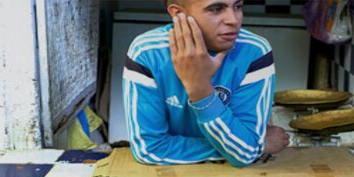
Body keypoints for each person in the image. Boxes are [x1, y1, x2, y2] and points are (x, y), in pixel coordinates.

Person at [122, 0, 289, 167]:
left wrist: (200, 89)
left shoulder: (254, 51)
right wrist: (253, 147)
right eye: (216, 9)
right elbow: (149, 149)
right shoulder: (147, 53)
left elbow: (245, 152)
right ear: (178, 14)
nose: (233, 20)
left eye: (237, 6)